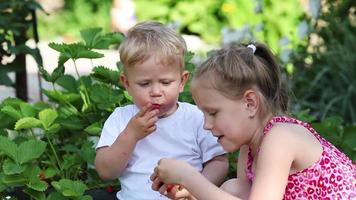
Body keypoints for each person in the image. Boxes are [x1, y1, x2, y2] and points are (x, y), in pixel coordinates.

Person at [150, 43, 356, 199]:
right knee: (236, 188)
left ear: (250, 103)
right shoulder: (250, 148)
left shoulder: (280, 138)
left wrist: (189, 177)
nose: (206, 125)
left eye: (213, 113)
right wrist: (193, 194)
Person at [95, 21, 228, 200]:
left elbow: (218, 162)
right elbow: (105, 171)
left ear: (182, 81)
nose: (156, 92)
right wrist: (130, 135)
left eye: (166, 82)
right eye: (144, 83)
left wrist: (197, 189)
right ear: (126, 83)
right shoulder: (121, 118)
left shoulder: (195, 117)